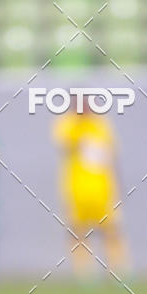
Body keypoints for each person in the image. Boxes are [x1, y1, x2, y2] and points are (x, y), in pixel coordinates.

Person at [52, 99, 130, 277]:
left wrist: (120, 182)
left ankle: (119, 270)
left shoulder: (101, 123)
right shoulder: (67, 124)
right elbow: (64, 145)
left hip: (103, 189)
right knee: (78, 231)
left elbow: (112, 155)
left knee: (112, 230)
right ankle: (85, 273)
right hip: (76, 189)